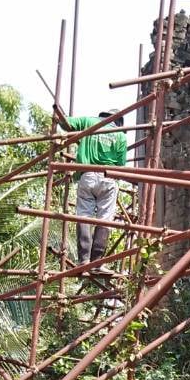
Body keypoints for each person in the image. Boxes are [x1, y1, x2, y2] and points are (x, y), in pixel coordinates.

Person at [63, 112, 128, 266]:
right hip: (109, 178)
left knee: (83, 216)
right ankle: (97, 262)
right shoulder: (121, 135)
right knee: (105, 218)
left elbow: (65, 123)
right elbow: (120, 166)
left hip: (88, 175)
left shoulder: (89, 121)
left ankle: (84, 260)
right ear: (119, 122)